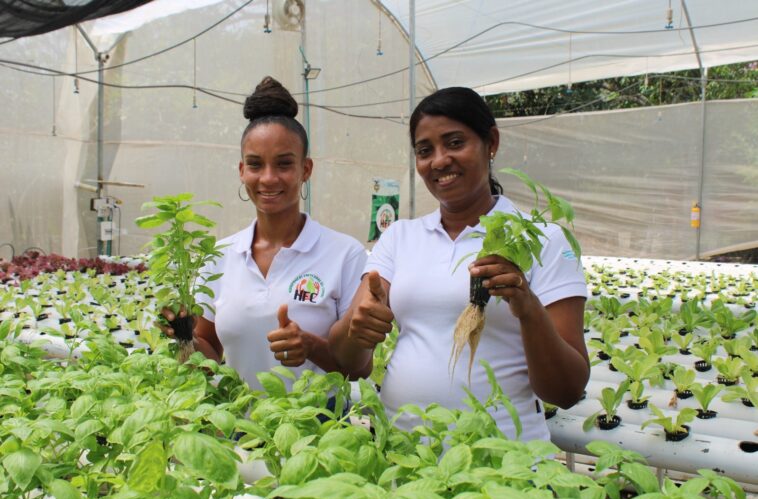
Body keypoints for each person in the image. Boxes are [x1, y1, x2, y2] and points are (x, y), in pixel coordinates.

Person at [330, 87, 589, 440]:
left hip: (501, 458)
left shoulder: (541, 239)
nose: (438, 161)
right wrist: (358, 331)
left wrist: (526, 306)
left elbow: (567, 390)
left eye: (455, 143)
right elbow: (347, 360)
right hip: (403, 454)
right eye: (425, 151)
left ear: (491, 142)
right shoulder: (399, 237)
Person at [164, 76, 368, 390]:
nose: (268, 178)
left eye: (284, 164)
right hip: (238, 430)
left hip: (320, 431)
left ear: (306, 169)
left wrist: (311, 346)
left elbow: (359, 370)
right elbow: (209, 348)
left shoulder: (344, 253)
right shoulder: (219, 256)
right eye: (256, 164)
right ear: (242, 170)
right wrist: (183, 338)